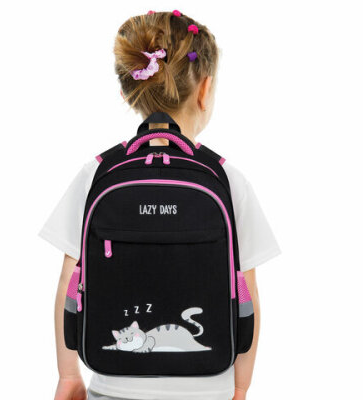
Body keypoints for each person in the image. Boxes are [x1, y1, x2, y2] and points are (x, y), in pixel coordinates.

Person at [39, 10, 281, 400]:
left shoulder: (96, 173)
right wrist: (240, 387)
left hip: (113, 381)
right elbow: (246, 294)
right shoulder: (227, 179)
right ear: (205, 89)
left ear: (128, 93)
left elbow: (71, 281)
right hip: (209, 386)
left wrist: (69, 375)